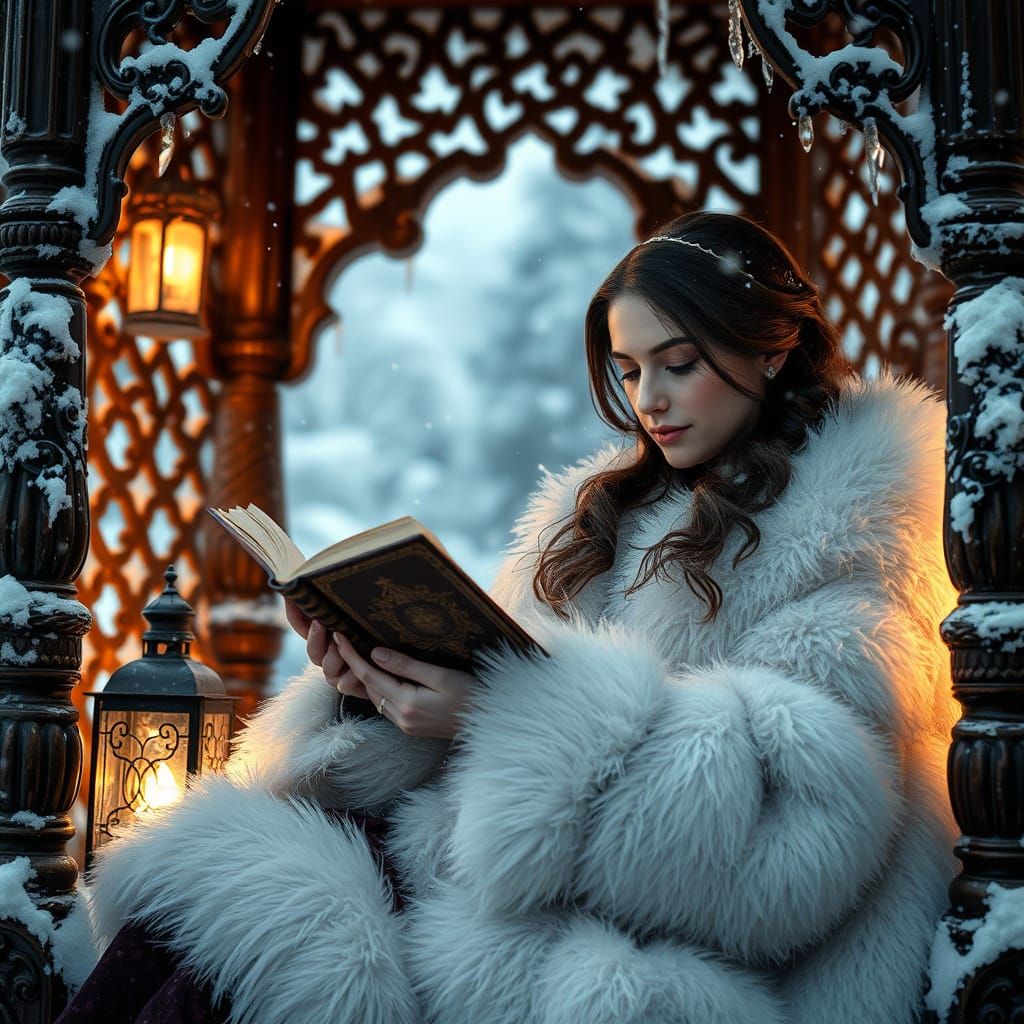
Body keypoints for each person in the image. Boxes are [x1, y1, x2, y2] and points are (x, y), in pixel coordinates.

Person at [68, 211, 958, 1024]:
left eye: (679, 364)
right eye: (629, 370)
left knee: (262, 948)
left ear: (771, 350)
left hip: (687, 955)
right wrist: (376, 691)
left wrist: (502, 718)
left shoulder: (856, 531)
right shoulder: (599, 516)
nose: (649, 400)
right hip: (513, 890)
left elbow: (798, 832)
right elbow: (503, 674)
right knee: (216, 906)